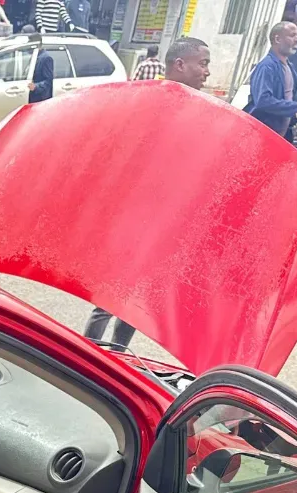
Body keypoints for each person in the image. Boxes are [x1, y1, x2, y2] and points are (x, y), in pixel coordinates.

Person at [84, 37, 211, 349]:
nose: (207, 72)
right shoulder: (149, 102)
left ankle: (118, 354)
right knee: (112, 293)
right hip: (135, 214)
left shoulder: (199, 110)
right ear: (180, 65)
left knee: (138, 296)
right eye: (203, 64)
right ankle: (87, 352)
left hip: (167, 218)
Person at [246, 21, 297, 140]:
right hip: (263, 135)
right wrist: (296, 107)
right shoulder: (267, 67)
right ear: (277, 39)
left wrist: (295, 112)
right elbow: (262, 100)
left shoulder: (289, 67)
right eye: (292, 35)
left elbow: (288, 97)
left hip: (282, 135)